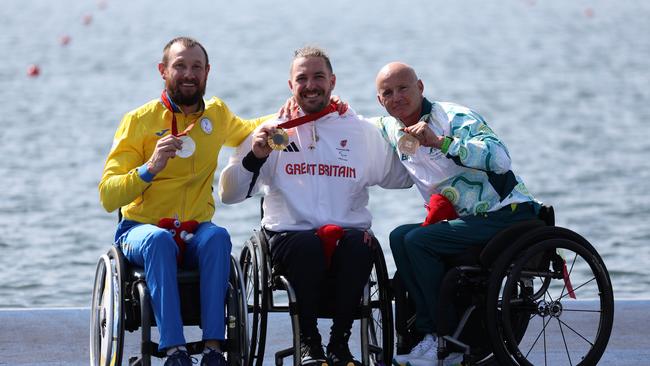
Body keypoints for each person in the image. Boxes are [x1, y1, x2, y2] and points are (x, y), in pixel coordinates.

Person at [218, 46, 412, 366]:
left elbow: (404, 175)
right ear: (291, 85)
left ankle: (339, 343)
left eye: (318, 77)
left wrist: (420, 140)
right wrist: (255, 155)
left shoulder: (360, 130)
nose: (311, 85)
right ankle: (308, 342)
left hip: (346, 233)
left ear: (332, 81)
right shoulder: (271, 130)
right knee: (307, 245)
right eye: (302, 78)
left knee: (359, 245)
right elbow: (230, 194)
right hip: (289, 235)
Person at [99, 37, 269, 366]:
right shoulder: (139, 121)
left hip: (195, 228)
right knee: (159, 240)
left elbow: (248, 130)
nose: (188, 74)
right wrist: (149, 169)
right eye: (179, 66)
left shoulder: (216, 114)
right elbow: (108, 195)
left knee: (218, 236)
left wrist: (295, 110)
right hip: (141, 229)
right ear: (163, 71)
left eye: (196, 67)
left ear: (207, 73)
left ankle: (213, 348)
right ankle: (175, 350)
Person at [372, 62, 539, 366]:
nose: (397, 97)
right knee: (399, 236)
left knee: (418, 241)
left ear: (420, 87)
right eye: (388, 92)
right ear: (380, 101)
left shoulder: (453, 117)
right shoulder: (388, 127)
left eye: (403, 88)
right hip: (466, 221)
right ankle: (425, 335)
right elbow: (347, 125)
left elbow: (501, 159)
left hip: (506, 212)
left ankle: (440, 338)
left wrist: (441, 142)